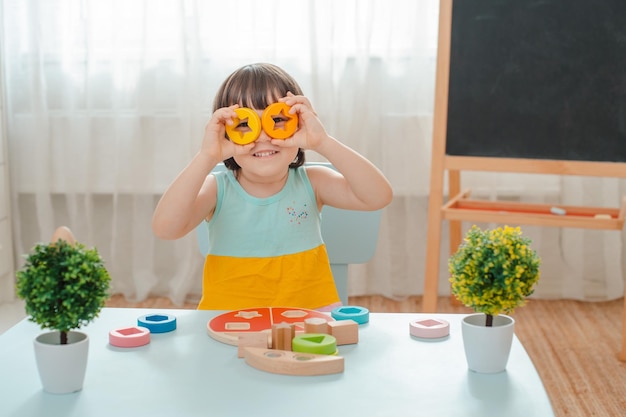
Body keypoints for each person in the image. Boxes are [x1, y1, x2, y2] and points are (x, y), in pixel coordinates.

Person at [152, 63, 393, 311]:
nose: (263, 136)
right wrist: (206, 156)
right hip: (230, 323)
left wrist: (323, 142)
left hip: (308, 323)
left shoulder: (314, 182)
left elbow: (378, 196)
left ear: (299, 123)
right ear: (226, 133)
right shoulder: (216, 189)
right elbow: (166, 228)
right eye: (245, 124)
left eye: (276, 119)